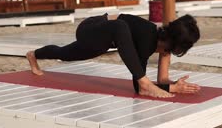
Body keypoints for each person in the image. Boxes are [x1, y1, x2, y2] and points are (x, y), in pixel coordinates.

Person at [26, 13, 201, 98]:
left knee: (64, 54)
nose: (171, 54)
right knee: (120, 26)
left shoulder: (164, 46)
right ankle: (145, 80)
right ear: (173, 42)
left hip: (100, 42)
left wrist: (173, 85)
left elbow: (162, 80)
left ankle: (33, 55)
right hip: (92, 28)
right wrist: (163, 88)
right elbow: (139, 87)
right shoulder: (147, 38)